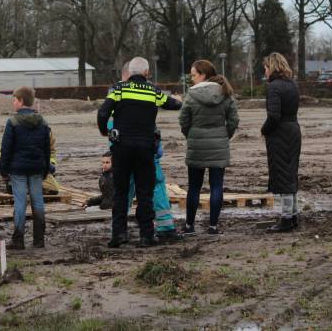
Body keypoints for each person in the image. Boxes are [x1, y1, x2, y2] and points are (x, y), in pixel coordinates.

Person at [97, 56, 182, 248]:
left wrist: (104, 131)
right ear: (147, 72)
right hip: (145, 148)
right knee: (145, 192)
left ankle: (119, 234)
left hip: (122, 148)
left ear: (130, 72)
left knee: (121, 192)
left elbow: (103, 112)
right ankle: (146, 236)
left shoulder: (119, 89)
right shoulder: (153, 91)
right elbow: (172, 104)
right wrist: (180, 102)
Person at [178, 59, 239, 235]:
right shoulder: (225, 92)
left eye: (193, 75)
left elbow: (183, 120)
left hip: (196, 143)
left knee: (194, 186)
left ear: (203, 75)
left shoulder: (191, 95)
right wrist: (225, 136)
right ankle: (213, 226)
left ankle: (189, 226)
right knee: (217, 186)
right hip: (219, 143)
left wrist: (190, 135)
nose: (192, 79)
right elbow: (234, 119)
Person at [0, 86, 54, 250]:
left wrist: (3, 171)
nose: (13, 103)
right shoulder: (43, 122)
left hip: (18, 170)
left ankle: (18, 240)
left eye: (14, 100)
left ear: (21, 101)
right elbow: (47, 148)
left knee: (20, 204)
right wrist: (46, 169)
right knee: (38, 202)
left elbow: (6, 149)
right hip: (37, 169)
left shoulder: (12, 122)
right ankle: (39, 240)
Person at [260, 52, 302, 233]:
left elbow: (274, 116)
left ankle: (285, 219)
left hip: (280, 134)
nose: (265, 71)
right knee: (290, 173)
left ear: (272, 67)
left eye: (266, 68)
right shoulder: (292, 84)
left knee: (283, 175)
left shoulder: (273, 87)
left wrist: (264, 130)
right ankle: (293, 215)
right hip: (294, 130)